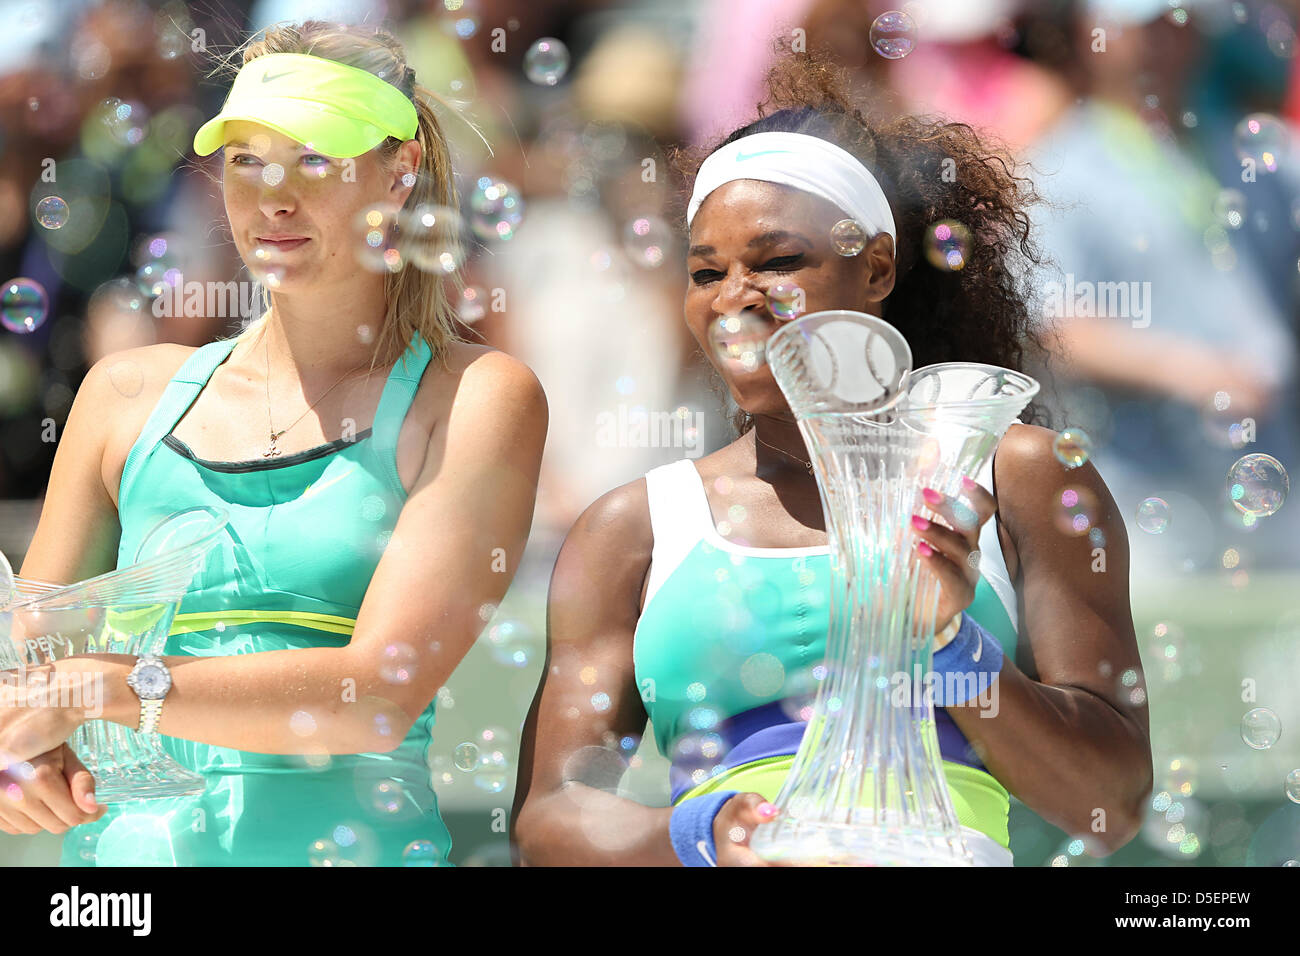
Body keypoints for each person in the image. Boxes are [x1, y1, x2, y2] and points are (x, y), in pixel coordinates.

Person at [512, 52, 1152, 866]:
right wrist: (702, 835)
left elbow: (1110, 804)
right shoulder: (629, 528)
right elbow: (548, 823)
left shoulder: (1013, 472)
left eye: (777, 262)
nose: (733, 297)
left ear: (877, 266)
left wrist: (951, 644)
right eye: (706, 271)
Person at [2, 20, 547, 867]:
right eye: (246, 161)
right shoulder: (122, 394)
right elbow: (28, 668)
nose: (273, 196)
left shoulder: (480, 396)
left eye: (315, 160)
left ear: (398, 175)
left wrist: (110, 688)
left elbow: (377, 696)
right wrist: (22, 756)